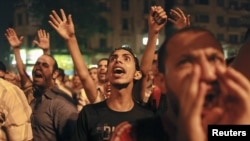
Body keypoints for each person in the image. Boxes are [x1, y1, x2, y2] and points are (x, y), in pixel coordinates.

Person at [111, 26, 250, 141]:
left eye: (213, 59)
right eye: (186, 62)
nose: (207, 74)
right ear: (161, 81)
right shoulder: (132, 135)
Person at [48, 8, 155, 141]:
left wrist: (153, 33)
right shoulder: (89, 114)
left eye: (126, 58)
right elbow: (84, 77)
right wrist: (71, 39)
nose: (118, 60)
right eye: (113, 59)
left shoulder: (147, 118)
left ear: (137, 74)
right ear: (108, 73)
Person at [5, 28, 78, 141]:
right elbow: (23, 75)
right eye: (37, 64)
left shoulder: (61, 104)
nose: (39, 67)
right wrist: (16, 49)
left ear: (55, 74)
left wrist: (46, 52)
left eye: (44, 65)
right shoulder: (33, 97)